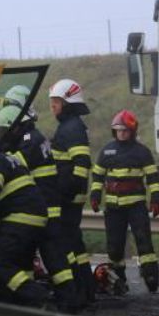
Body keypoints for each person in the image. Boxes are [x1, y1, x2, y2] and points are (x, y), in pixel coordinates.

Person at [0, 102, 81, 312]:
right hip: (46, 206)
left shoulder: (29, 141)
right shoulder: (36, 137)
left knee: (54, 258)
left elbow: (13, 164)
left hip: (44, 208)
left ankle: (65, 302)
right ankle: (58, 301)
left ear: (15, 127)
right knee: (44, 256)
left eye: (4, 132)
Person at [0, 122, 53, 308]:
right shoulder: (10, 159)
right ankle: (21, 305)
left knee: (1, 263)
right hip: (35, 218)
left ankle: (38, 296)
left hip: (21, 218)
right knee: (22, 264)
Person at [90, 110, 159, 294]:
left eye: (125, 130)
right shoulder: (107, 151)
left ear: (132, 131)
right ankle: (118, 280)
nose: (121, 133)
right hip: (113, 208)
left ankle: (151, 277)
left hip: (136, 206)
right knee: (114, 247)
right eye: (118, 130)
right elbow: (98, 176)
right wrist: (95, 196)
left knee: (144, 242)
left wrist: (156, 199)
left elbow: (153, 178)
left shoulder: (142, 152)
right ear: (113, 131)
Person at [48, 79, 96, 303]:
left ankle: (76, 290)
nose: (53, 106)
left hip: (68, 198)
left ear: (67, 102)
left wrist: (66, 193)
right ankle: (86, 289)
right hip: (70, 195)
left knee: (65, 244)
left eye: (56, 101)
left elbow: (81, 163)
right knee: (75, 245)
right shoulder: (70, 125)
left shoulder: (72, 128)